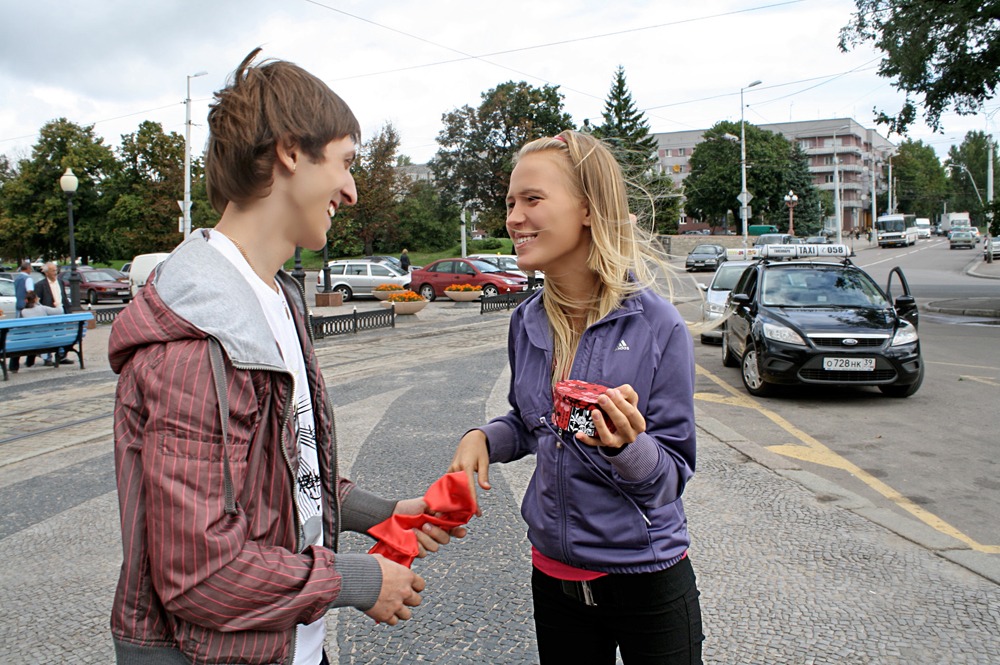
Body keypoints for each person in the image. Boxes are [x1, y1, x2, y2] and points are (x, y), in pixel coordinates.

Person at [109, 48, 463, 665]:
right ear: (291, 152)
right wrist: (355, 581)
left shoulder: (275, 298)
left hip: (291, 644)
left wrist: (383, 516)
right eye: (346, 162)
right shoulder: (199, 338)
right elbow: (201, 573)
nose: (352, 191)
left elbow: (281, 472)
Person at [449, 130, 703, 664]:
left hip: (648, 579)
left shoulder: (658, 325)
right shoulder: (526, 319)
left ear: (588, 210)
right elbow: (529, 421)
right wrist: (486, 438)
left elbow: (672, 474)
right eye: (511, 203)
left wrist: (628, 447)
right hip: (554, 579)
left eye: (533, 200)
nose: (514, 217)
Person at [7, 291, 64, 372]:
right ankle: (29, 362)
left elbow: (20, 328)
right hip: (46, 340)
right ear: (36, 299)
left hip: (32, 340)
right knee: (33, 339)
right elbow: (60, 311)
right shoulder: (43, 308)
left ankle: (13, 367)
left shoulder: (23, 312)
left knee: (20, 341)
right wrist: (58, 304)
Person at [34, 261, 73, 365]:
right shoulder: (40, 285)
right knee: (48, 336)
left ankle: (61, 356)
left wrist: (68, 311)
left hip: (61, 313)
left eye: (56, 270)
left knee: (62, 334)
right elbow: (37, 302)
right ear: (46, 273)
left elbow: (63, 297)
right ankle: (47, 358)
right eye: (52, 271)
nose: (55, 272)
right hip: (48, 314)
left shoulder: (60, 282)